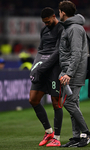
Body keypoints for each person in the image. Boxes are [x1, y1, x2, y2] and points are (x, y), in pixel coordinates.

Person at [58, 1, 90, 147]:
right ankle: (77, 136)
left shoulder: (74, 28)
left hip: (73, 73)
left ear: (63, 12)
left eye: (59, 11)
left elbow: (77, 53)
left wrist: (70, 73)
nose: (58, 14)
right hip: (68, 71)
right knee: (74, 103)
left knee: (68, 102)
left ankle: (87, 133)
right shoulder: (70, 28)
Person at [29, 7, 63, 147]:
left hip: (54, 68)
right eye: (44, 22)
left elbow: (58, 51)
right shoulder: (44, 30)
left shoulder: (61, 28)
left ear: (54, 16)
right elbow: (40, 50)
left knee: (56, 102)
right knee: (33, 99)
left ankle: (57, 137)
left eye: (48, 22)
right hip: (42, 67)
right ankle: (48, 131)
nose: (46, 24)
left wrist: (43, 67)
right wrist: (35, 66)